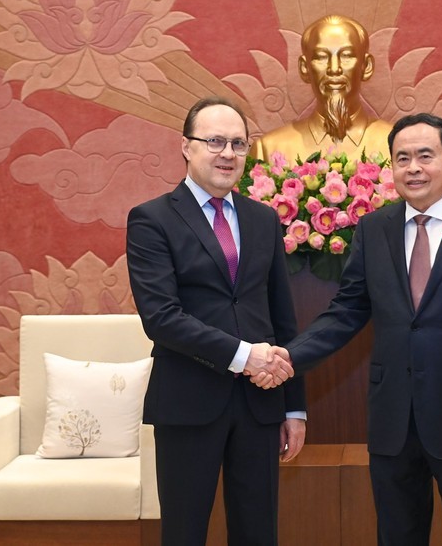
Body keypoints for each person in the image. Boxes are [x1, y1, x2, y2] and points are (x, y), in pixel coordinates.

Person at [254, 113, 442, 545]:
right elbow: (347, 311)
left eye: (425, 156)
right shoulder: (374, 227)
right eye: (402, 159)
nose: (413, 168)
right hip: (393, 420)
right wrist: (290, 355)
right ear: (392, 168)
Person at [126, 96, 306, 546]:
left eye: (238, 144)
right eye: (214, 141)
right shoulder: (152, 219)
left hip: (260, 406)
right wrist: (245, 357)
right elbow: (161, 318)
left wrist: (294, 407)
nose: (228, 153)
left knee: (259, 531)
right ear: (186, 147)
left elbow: (283, 318)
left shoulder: (263, 219)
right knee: (185, 532)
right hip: (188, 402)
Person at [252, 15, 392, 163]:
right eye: (321, 57)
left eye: (346, 56)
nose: (334, 69)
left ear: (367, 66)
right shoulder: (268, 150)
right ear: (304, 68)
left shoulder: (397, 146)